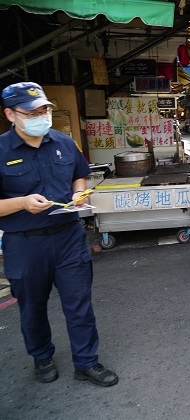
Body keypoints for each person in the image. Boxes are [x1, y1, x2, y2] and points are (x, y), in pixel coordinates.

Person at [0, 82, 118, 387]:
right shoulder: (1, 151)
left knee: (79, 303)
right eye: (32, 112)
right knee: (32, 306)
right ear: (11, 115)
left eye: (44, 110)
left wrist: (79, 194)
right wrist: (21, 203)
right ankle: (41, 356)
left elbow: (80, 174)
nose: (41, 116)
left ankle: (86, 362)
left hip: (68, 238)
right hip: (25, 244)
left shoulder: (64, 143)